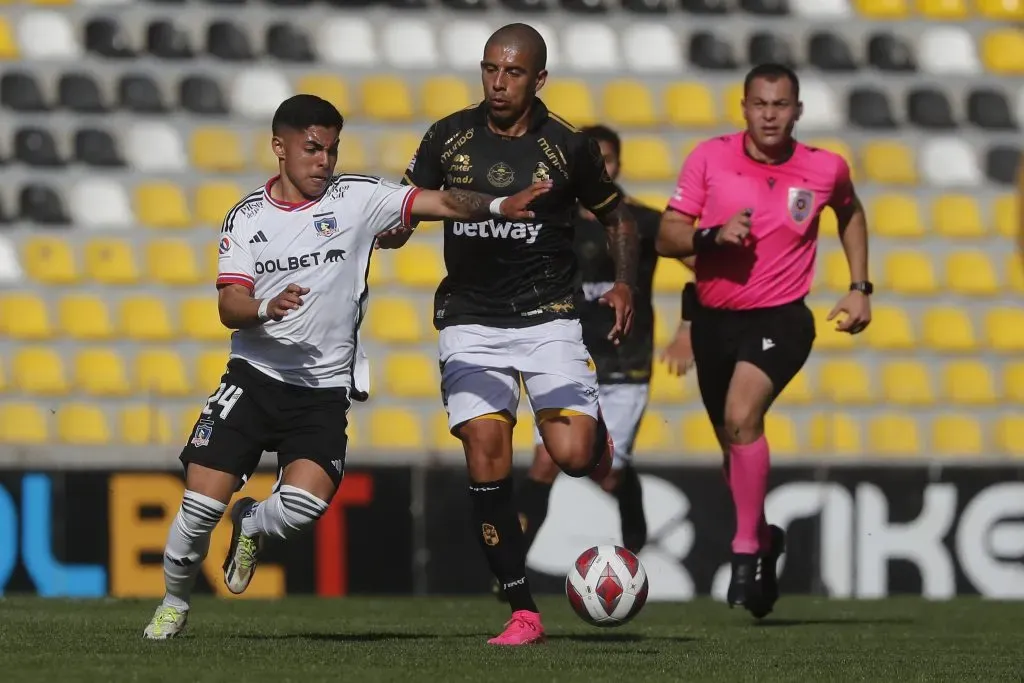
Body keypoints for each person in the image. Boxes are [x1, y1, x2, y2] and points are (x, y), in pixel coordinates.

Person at [142, 94, 550, 640]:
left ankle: (253, 522)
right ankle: (173, 604)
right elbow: (228, 306)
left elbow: (444, 202)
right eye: (312, 149)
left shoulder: (356, 199)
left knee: (303, 506)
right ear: (278, 148)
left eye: (332, 150)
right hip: (254, 378)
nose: (324, 162)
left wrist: (500, 207)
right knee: (196, 509)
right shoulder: (247, 219)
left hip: (322, 389)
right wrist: (266, 307)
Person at [396, 23, 639, 646]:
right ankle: (522, 610)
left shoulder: (568, 146)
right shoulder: (447, 137)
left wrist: (623, 283)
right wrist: (393, 226)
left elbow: (618, 216)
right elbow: (407, 203)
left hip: (548, 317)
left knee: (574, 456)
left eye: (512, 73)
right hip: (469, 318)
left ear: (539, 79)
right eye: (490, 70)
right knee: (487, 452)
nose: (498, 83)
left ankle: (595, 441)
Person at [656, 63, 873, 619]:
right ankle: (765, 539)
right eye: (760, 104)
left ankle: (746, 550)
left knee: (742, 415)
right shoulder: (709, 157)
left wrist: (859, 287)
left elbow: (849, 213)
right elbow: (666, 236)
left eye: (781, 104)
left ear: (797, 110)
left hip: (781, 318)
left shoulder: (824, 168)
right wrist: (712, 234)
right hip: (713, 320)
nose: (770, 114)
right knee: (733, 441)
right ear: (744, 107)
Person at [510, 124, 694, 588]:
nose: (601, 169)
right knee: (546, 461)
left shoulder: (645, 223)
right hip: (566, 362)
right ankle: (510, 571)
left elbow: (707, 268)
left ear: (619, 165)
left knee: (606, 473)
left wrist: (688, 327)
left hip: (623, 366)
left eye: (608, 160)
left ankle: (632, 530)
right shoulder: (554, 222)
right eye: (593, 161)